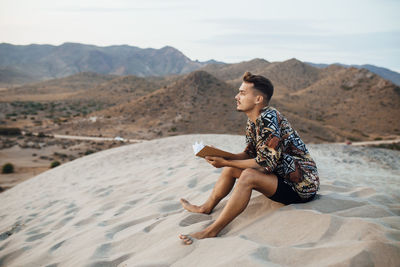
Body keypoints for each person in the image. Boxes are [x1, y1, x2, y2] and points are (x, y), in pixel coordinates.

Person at [179, 71, 320, 245]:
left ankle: (211, 231)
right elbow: (249, 155)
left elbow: (264, 163)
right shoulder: (253, 120)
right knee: (231, 168)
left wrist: (226, 161)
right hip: (280, 177)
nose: (236, 96)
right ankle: (205, 208)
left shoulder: (268, 118)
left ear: (258, 99)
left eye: (242, 93)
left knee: (248, 176)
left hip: (301, 186)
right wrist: (221, 156)